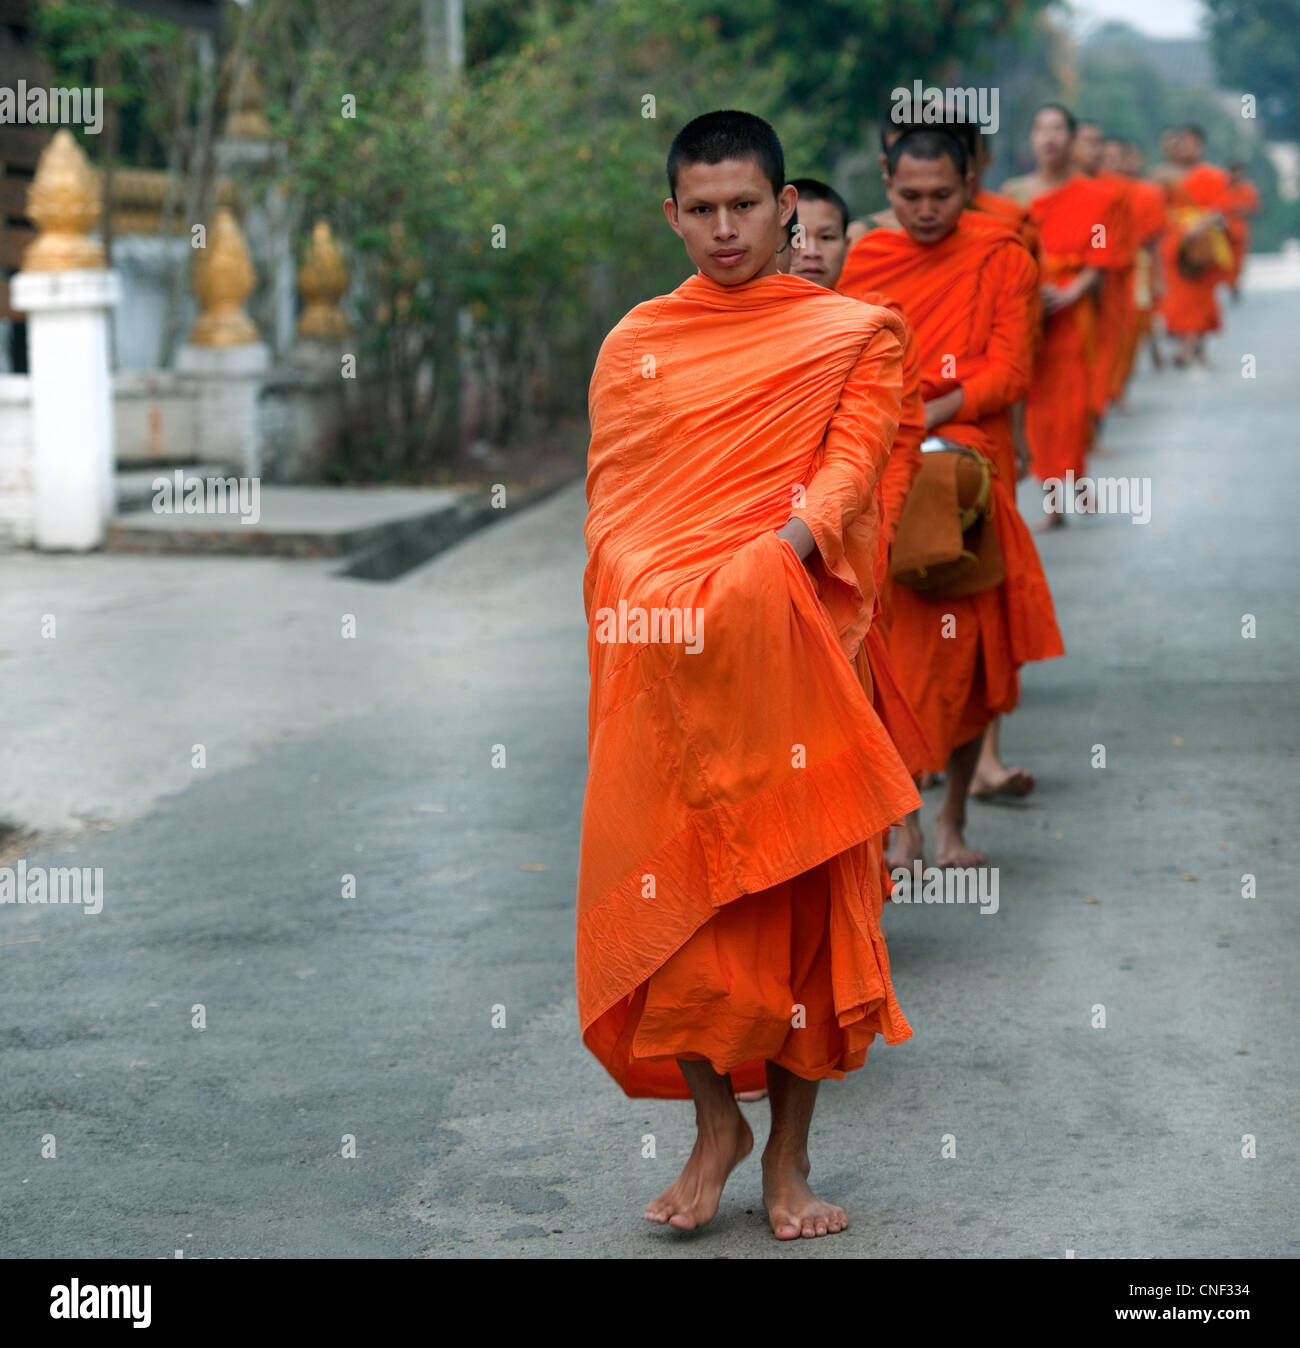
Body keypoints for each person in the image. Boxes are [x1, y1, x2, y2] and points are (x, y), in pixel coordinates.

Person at [577, 110, 921, 1240]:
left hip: (786, 647)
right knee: (665, 898)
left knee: (799, 906)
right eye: (701, 210)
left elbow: (852, 470)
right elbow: (615, 507)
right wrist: (663, 585)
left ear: (787, 209)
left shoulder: (851, 330)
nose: (724, 230)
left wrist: (775, 560)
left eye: (744, 206)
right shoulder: (637, 343)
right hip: (667, 661)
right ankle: (714, 1122)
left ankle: (788, 1160)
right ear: (670, 214)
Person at [837, 129, 1064, 868]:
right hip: (887, 473)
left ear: (970, 183)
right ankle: (900, 823)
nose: (926, 211)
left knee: (965, 662)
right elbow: (853, 363)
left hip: (969, 473)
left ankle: (953, 823)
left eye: (943, 195)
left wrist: (927, 409)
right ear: (885, 182)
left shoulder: (1003, 257)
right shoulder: (867, 258)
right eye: (909, 197)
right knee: (890, 661)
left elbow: (1011, 370)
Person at [1003, 104, 1115, 528]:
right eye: (1040, 128)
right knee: (1036, 408)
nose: (1049, 137)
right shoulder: (1014, 194)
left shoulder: (1095, 197)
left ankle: (1064, 491)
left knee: (1069, 407)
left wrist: (1070, 294)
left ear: (1072, 139)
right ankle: (1058, 492)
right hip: (1026, 313)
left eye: (1058, 130)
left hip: (1072, 314)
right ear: (1032, 139)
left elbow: (1099, 257)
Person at [1072, 122, 1136, 428]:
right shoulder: (1041, 191)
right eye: (1086, 142)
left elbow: (1113, 243)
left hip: (1105, 284)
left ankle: (1092, 424)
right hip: (1054, 289)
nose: (1094, 150)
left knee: (1100, 355)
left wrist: (1096, 266)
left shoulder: (1112, 193)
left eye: (1098, 143)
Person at [1157, 125, 1234, 368]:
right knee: (1177, 298)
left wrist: (1200, 225)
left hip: (1202, 245)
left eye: (1192, 143)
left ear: (1201, 146)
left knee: (1200, 296)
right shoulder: (1164, 176)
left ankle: (1188, 348)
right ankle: (1190, 345)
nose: (1186, 148)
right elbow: (1157, 209)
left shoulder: (1214, 176)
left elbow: (1222, 209)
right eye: (1182, 143)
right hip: (1173, 243)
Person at [1223, 162, 1261, 300]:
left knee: (1239, 263)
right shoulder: (1222, 188)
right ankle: (1228, 284)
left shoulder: (1248, 190)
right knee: (1224, 261)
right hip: (1223, 233)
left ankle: (1234, 286)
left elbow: (1256, 209)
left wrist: (1244, 210)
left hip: (1241, 233)